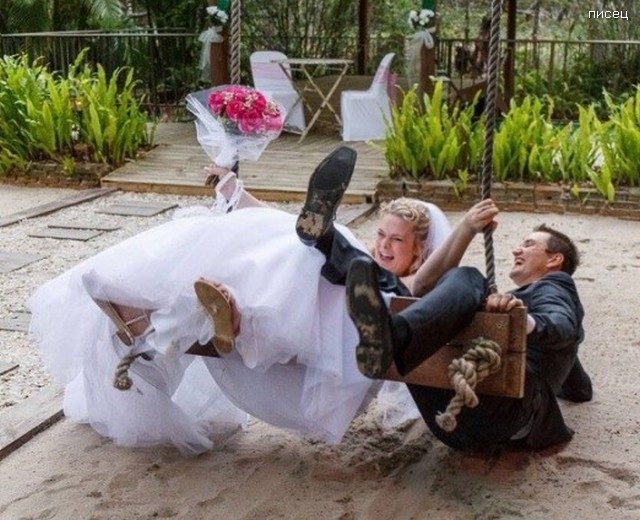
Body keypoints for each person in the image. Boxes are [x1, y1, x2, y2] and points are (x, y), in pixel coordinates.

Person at [28, 147, 454, 455]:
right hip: (312, 293)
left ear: (420, 252)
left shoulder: (408, 287)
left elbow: (425, 281)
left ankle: (225, 314)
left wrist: (468, 228)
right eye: (382, 235)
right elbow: (275, 228)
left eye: (397, 241)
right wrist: (234, 189)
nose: (384, 245)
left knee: (331, 249)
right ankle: (189, 312)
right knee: (267, 236)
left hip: (351, 330)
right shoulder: (356, 253)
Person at [346, 207, 593, 452]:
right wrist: (577, 381)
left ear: (554, 259)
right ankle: (392, 332)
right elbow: (580, 386)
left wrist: (523, 321)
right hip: (456, 422)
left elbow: (560, 323)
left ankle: (395, 335)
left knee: (469, 277)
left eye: (529, 245)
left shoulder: (556, 285)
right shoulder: (543, 312)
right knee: (424, 303)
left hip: (500, 417)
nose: (517, 250)